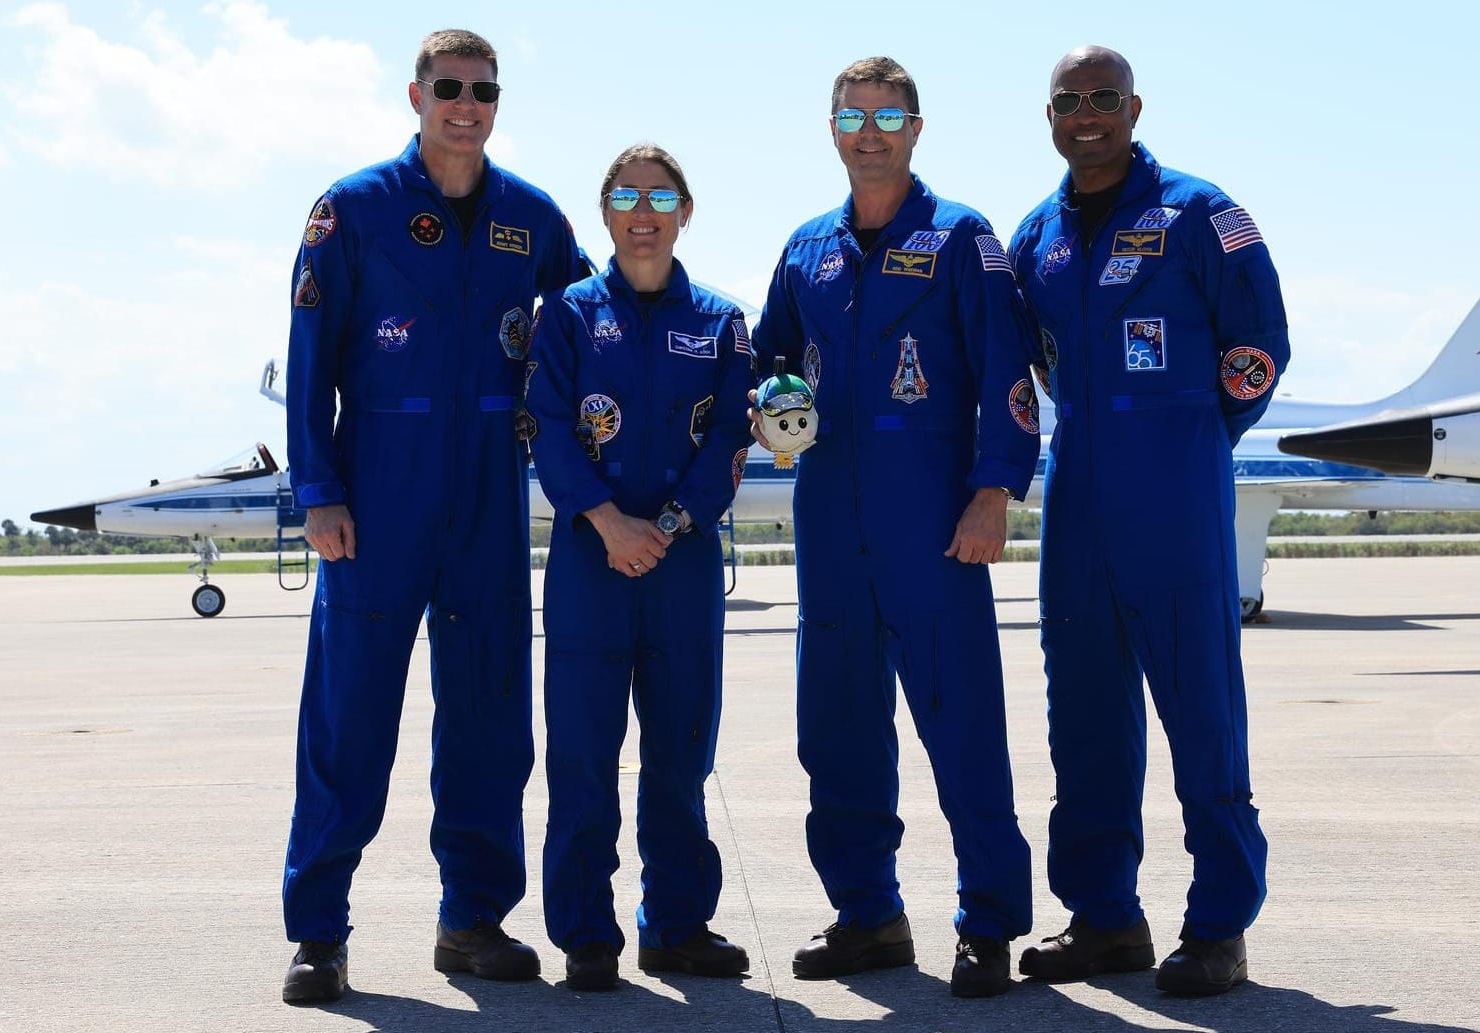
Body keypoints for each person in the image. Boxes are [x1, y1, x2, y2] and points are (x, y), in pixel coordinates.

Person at [278, 28, 590, 1004]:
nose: (467, 104)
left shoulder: (533, 221)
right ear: (416, 95)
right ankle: (319, 932)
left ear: (497, 102)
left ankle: (474, 919)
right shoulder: (353, 211)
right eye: (449, 87)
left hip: (489, 493)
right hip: (379, 490)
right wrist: (320, 489)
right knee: (349, 717)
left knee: (491, 714)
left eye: (483, 90)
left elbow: (595, 332)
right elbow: (307, 360)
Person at [750, 56, 1039, 999]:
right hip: (829, 518)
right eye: (851, 116)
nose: (868, 132)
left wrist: (995, 491)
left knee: (961, 726)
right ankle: (867, 913)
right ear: (831, 129)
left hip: (935, 521)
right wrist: (770, 394)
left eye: (886, 116)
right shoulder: (805, 249)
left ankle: (988, 920)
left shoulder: (962, 238)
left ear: (916, 128)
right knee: (835, 731)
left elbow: (1009, 370)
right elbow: (772, 356)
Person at [1007, 45, 1290, 997]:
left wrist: (1196, 435)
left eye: (1102, 98)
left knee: (1201, 709)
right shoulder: (1035, 234)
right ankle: (1103, 918)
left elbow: (1259, 348)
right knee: (1082, 714)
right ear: (1049, 116)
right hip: (1078, 488)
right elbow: (1038, 361)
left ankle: (1218, 925)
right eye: (1068, 101)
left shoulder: (1205, 215)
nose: (1086, 115)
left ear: (1133, 106)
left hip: (1176, 486)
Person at [525, 144, 757, 992]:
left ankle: (677, 924)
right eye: (626, 195)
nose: (644, 209)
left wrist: (667, 522)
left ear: (686, 211)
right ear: (608, 214)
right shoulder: (569, 316)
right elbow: (547, 425)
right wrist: (608, 521)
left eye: (661, 196)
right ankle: (588, 931)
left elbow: (734, 433)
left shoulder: (725, 322)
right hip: (590, 559)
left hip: (683, 559)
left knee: (681, 750)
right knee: (584, 753)